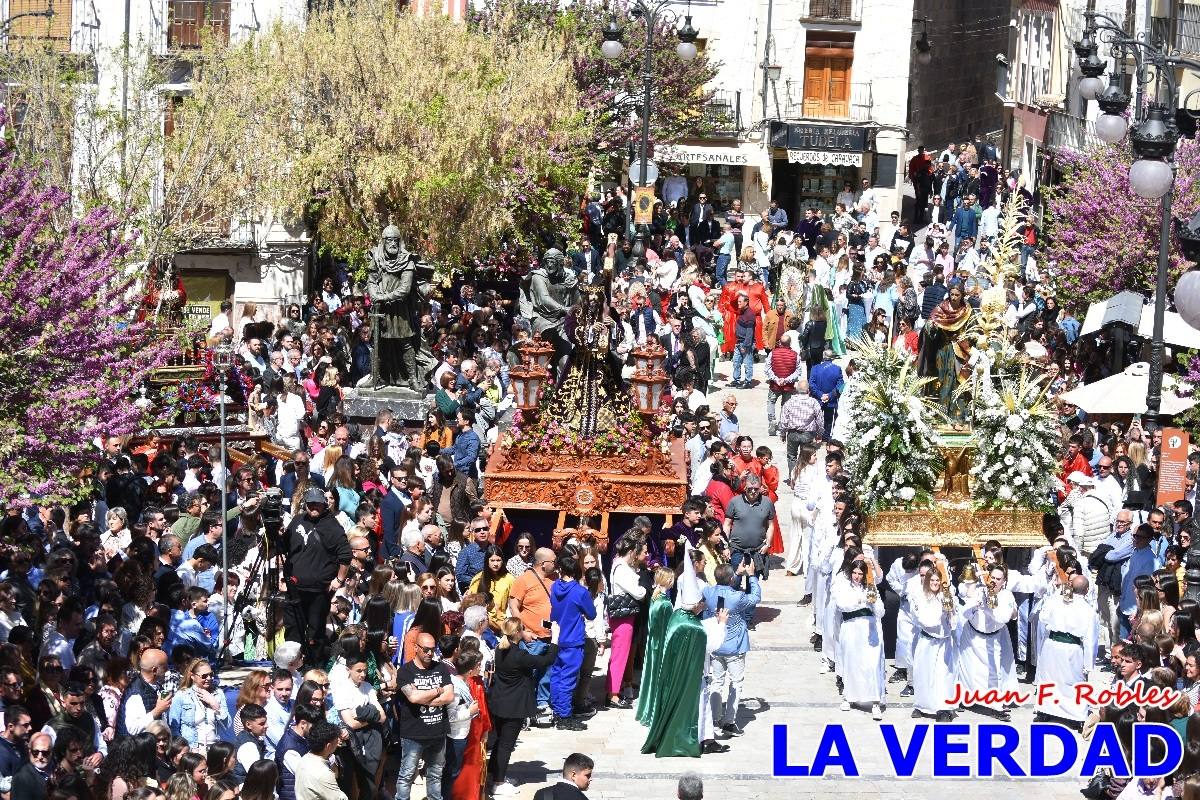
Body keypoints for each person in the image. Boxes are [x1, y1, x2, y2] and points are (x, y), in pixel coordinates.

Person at [487, 621, 561, 798]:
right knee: (506, 745)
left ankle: (493, 774)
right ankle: (498, 783)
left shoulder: (500, 648)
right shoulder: (519, 655)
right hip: (513, 707)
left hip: (499, 703)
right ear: (518, 632)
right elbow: (546, 661)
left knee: (499, 742)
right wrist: (555, 639)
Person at [283, 487, 351, 666]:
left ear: (324, 505)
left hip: (318, 591)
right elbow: (285, 547)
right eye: (310, 503)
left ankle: (315, 667)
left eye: (317, 504)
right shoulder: (297, 521)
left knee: (315, 633)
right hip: (294, 588)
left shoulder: (333, 526)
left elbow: (345, 555)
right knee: (293, 631)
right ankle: (290, 666)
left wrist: (339, 580)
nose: (313, 507)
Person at [702, 562, 761, 736]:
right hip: (735, 646)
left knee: (717, 682)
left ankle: (714, 719)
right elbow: (755, 597)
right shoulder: (737, 597)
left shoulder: (708, 592)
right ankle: (729, 722)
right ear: (731, 579)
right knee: (736, 684)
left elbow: (723, 590)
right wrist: (751, 575)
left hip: (716, 644)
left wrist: (736, 573)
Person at [394, 632, 453, 800]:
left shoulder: (440, 668)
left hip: (438, 732)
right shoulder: (405, 671)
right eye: (426, 649)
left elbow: (449, 697)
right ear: (415, 648)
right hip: (413, 733)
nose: (429, 653)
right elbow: (412, 697)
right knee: (407, 775)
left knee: (435, 774)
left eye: (432, 650)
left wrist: (423, 698)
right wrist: (437, 690)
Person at [548, 553, 596, 731]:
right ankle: (564, 716)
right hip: (573, 640)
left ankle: (557, 710)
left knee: (557, 676)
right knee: (568, 679)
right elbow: (591, 614)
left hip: (557, 638)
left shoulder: (554, 587)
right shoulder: (580, 591)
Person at [294, 721, 346, 800]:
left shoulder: (303, 759)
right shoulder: (324, 774)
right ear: (328, 746)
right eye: (336, 741)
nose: (338, 743)